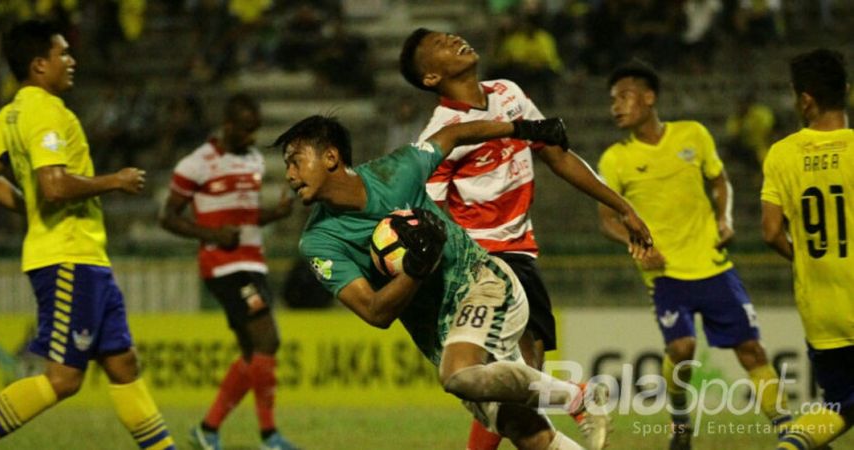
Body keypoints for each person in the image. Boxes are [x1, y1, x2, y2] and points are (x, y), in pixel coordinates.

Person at [277, 114, 652, 450]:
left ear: (330, 157)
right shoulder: (319, 242)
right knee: (526, 432)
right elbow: (375, 313)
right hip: (440, 335)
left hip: (481, 283)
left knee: (458, 375)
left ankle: (579, 397)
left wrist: (525, 129)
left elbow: (453, 134)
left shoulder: (396, 171)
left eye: (295, 161)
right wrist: (416, 270)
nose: (290, 176)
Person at [399, 28, 652, 450]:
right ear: (431, 77)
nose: (455, 40)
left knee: (519, 382)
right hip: (484, 263)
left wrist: (622, 206)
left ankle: (578, 402)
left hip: (521, 255)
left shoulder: (508, 94)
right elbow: (430, 217)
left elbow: (555, 154)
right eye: (442, 45)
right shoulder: (441, 135)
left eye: (451, 34)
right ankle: (581, 399)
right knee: (509, 379)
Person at [0, 20, 175, 450]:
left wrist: (28, 206)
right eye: (63, 54)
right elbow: (54, 186)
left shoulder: (12, 112)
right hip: (69, 258)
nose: (72, 61)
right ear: (39, 65)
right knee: (63, 379)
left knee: (123, 365)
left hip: (84, 256)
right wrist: (114, 180)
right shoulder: (46, 112)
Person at [596, 60, 791, 450]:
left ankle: (789, 429)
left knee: (751, 349)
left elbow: (720, 181)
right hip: (664, 272)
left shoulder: (693, 135)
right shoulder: (614, 159)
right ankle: (681, 420)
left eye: (625, 96)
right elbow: (607, 221)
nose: (615, 106)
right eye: (612, 100)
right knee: (682, 349)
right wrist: (639, 246)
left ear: (649, 98)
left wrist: (725, 218)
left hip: (712, 264)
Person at [159, 93, 299, 450]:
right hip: (222, 265)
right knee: (268, 339)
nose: (253, 139)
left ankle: (208, 430)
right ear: (228, 125)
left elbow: (245, 215)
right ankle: (269, 437)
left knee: (254, 353)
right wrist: (212, 235)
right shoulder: (196, 164)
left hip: (253, 260)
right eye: (247, 131)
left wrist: (275, 214)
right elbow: (168, 217)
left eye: (256, 130)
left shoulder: (252, 159)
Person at [761, 48, 854, 450]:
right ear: (847, 91)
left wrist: (805, 258)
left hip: (821, 311)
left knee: (841, 404)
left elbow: (770, 231)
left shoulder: (782, 154)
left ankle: (793, 443)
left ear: (805, 99)